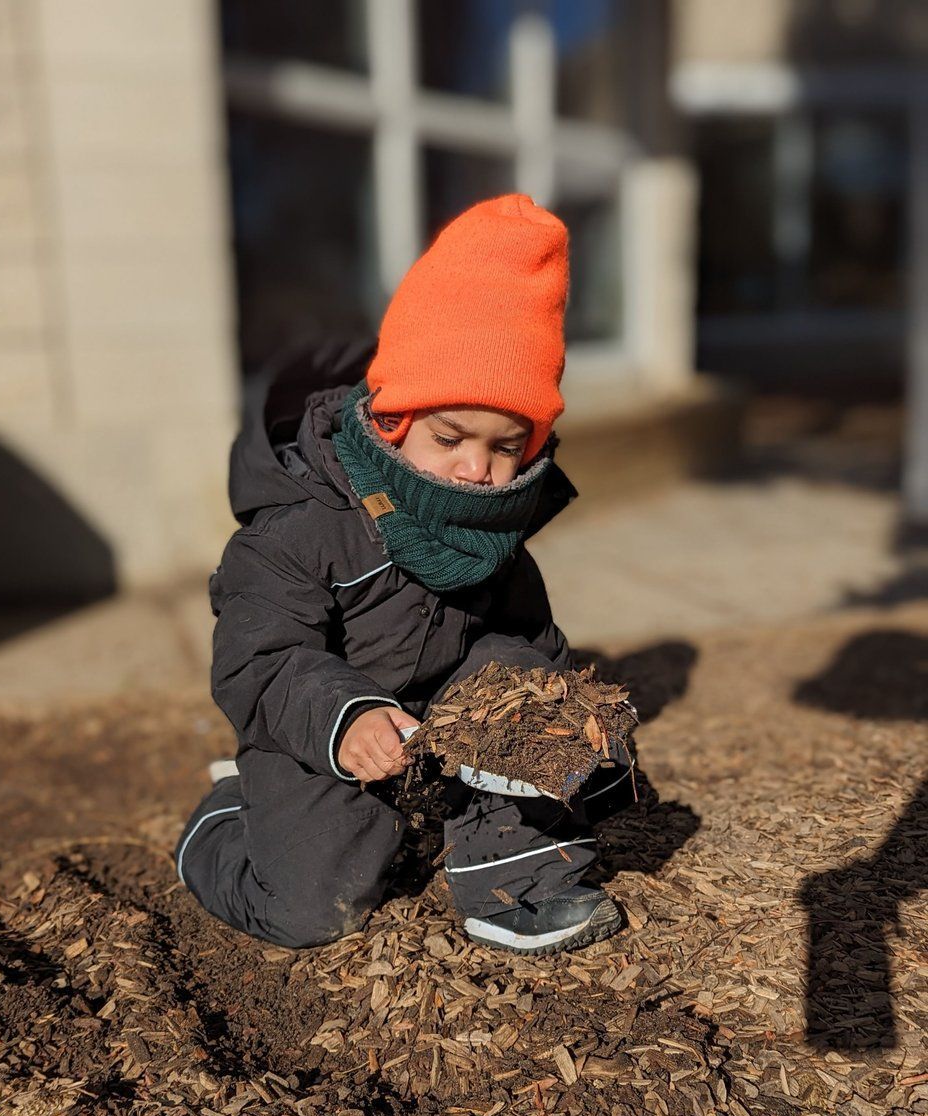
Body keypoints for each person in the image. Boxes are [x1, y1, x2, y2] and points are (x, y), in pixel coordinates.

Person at [174, 194, 635, 955]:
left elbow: (526, 637)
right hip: (321, 728)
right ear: (393, 418)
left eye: (506, 446)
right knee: (312, 907)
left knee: (520, 690)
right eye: (450, 436)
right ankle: (227, 819)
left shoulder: (493, 526)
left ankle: (516, 882)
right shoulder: (301, 526)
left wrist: (551, 721)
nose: (478, 470)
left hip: (442, 722)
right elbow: (259, 658)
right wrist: (343, 720)